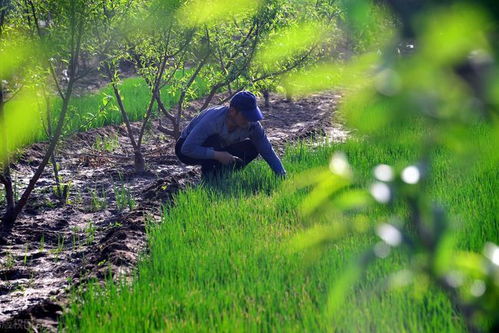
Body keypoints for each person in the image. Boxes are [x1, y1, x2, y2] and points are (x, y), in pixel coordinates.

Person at [175, 91, 286, 179]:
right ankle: (209, 179)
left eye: (251, 117)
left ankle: (221, 176)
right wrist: (218, 155)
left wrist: (281, 174)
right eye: (246, 116)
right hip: (186, 149)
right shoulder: (213, 119)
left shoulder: (253, 125)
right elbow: (187, 149)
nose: (249, 121)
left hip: (219, 147)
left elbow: (266, 149)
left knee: (252, 147)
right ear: (232, 111)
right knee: (214, 140)